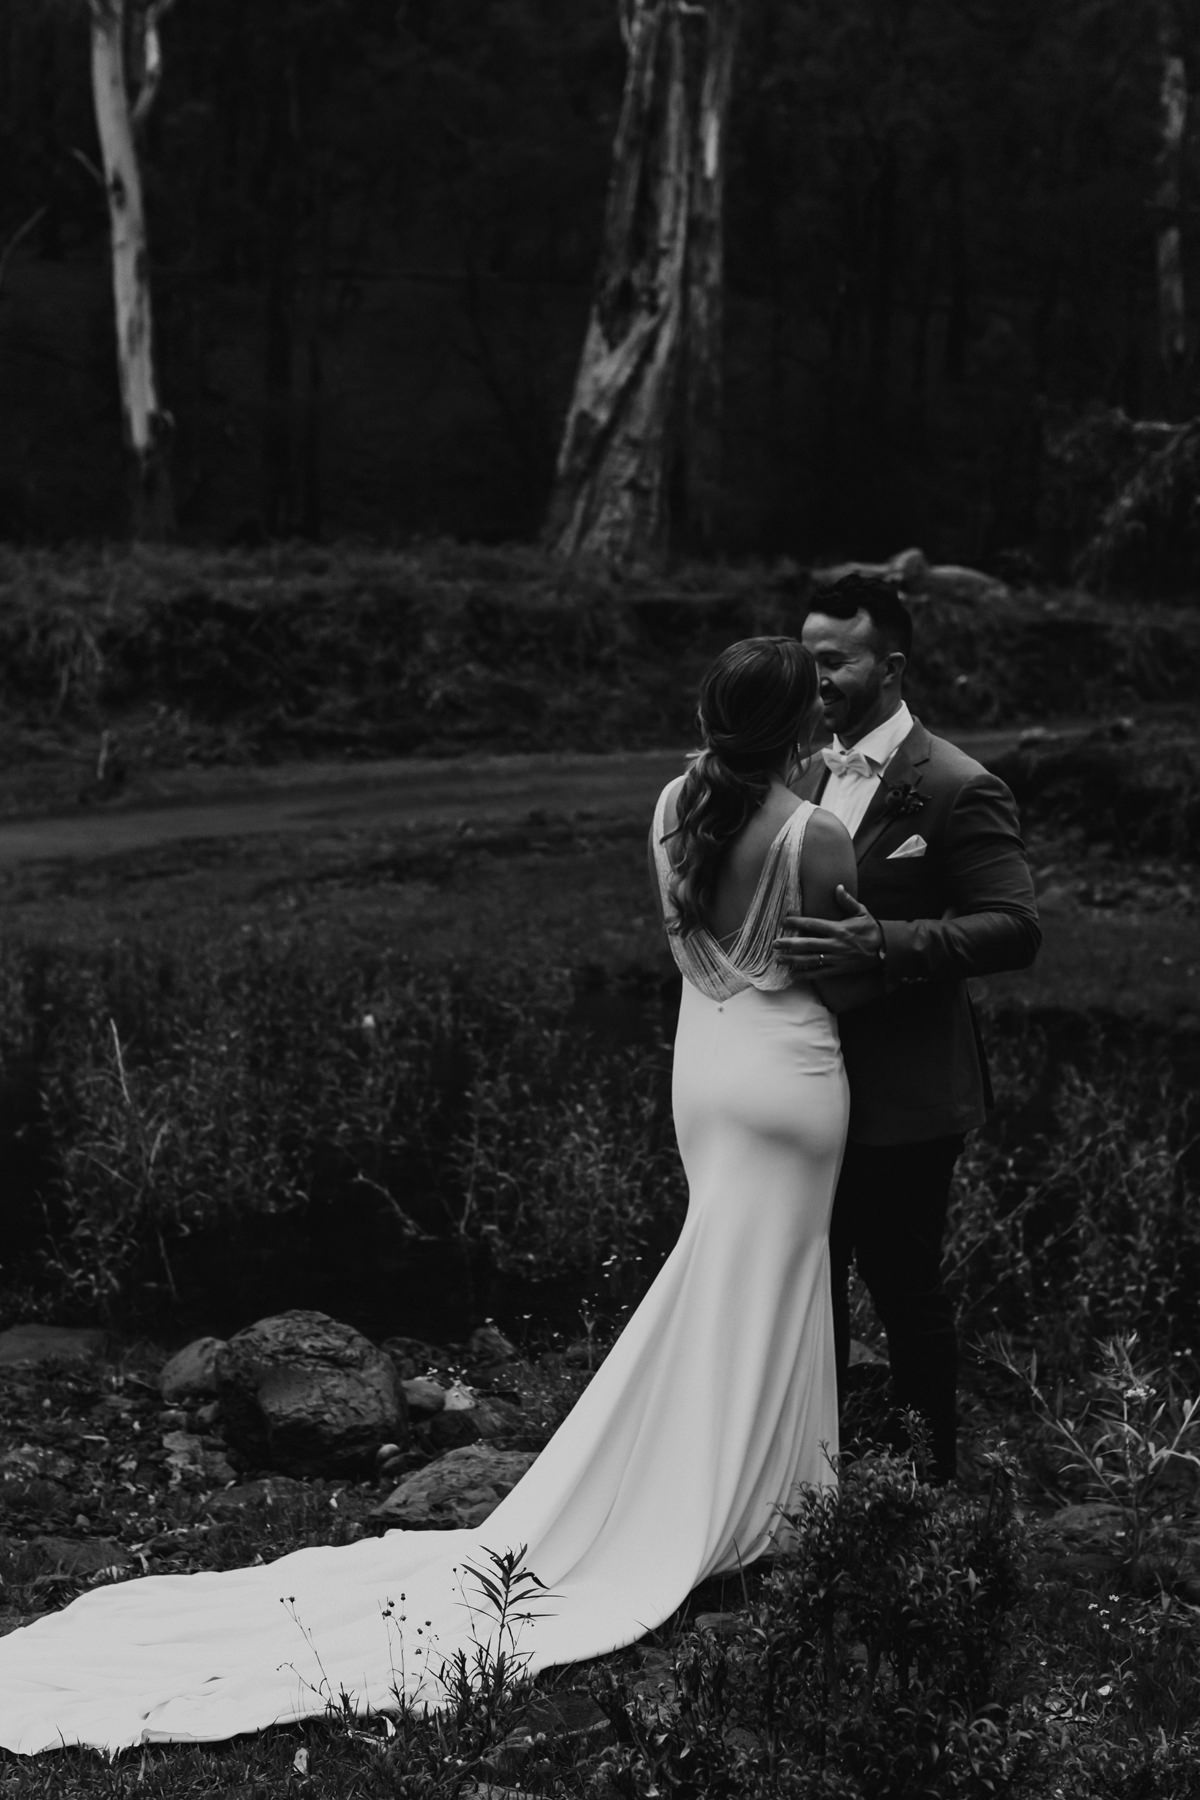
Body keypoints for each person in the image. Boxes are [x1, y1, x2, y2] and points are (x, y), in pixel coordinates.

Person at [0, 637, 857, 1758]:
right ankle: (764, 1499)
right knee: (779, 1283)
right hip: (790, 1078)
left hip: (706, 1070)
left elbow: (706, 936)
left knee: (725, 1280)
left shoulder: (673, 806)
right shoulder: (816, 833)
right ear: (796, 726)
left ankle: (739, 1486)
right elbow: (845, 974)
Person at [775, 574, 1041, 1485]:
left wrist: (884, 941)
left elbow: (1014, 927)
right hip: (805, 1084)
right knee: (810, 1288)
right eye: (806, 657)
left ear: (889, 668)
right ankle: (816, 1481)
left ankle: (929, 1489)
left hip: (908, 1096)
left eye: (833, 660)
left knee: (904, 1292)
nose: (814, 677)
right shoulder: (804, 772)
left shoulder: (960, 786)